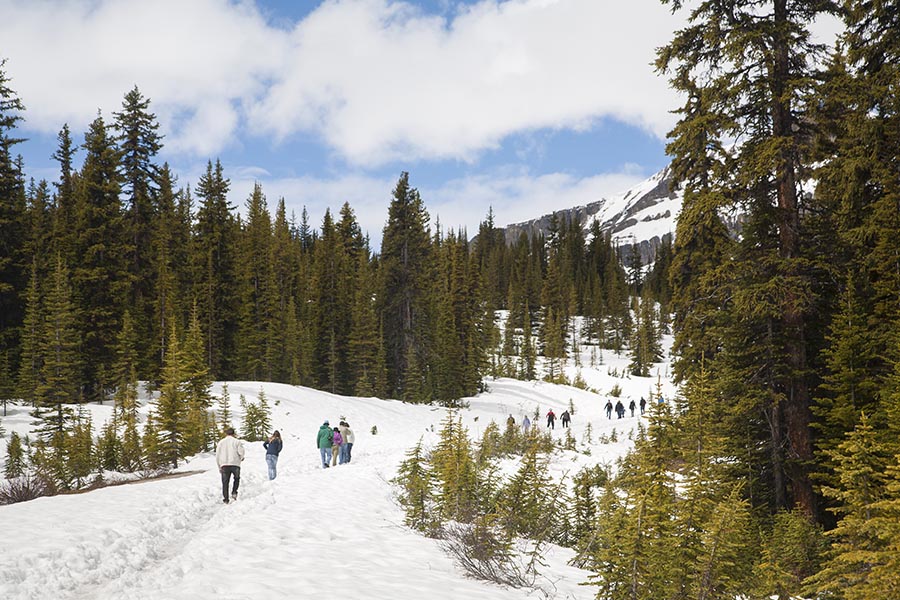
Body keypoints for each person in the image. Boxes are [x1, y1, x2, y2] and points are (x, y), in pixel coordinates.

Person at [216, 427, 245, 503]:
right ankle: (234, 492)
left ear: (226, 434)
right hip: (235, 463)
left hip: (224, 464)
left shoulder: (221, 442)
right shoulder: (237, 442)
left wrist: (219, 466)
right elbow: (241, 452)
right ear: (233, 434)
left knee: (225, 482)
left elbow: (217, 455)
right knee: (236, 478)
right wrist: (241, 458)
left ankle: (226, 499)